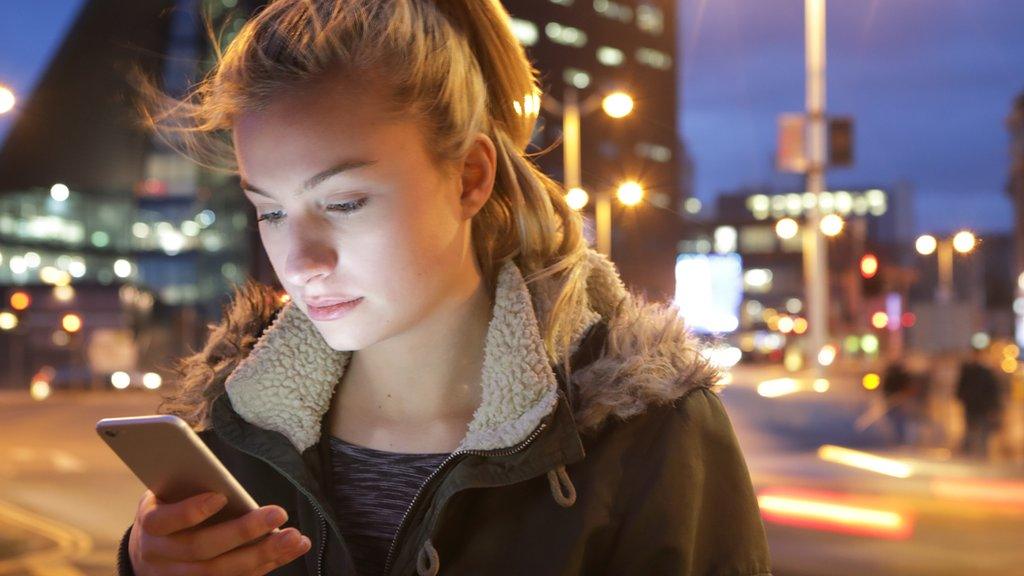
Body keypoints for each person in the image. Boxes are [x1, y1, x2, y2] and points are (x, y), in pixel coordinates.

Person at [119, 1, 772, 575]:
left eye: (344, 202)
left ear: (469, 178)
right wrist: (146, 564)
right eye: (270, 210)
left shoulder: (644, 435)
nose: (301, 260)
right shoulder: (231, 428)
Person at [955, 347, 1003, 458]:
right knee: (970, 428)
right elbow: (961, 386)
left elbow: (992, 390)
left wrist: (994, 406)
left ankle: (981, 453)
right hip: (971, 405)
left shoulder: (985, 372)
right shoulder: (968, 370)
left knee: (981, 430)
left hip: (982, 406)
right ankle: (968, 453)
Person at [881, 359, 916, 445]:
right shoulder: (892, 374)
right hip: (892, 399)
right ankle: (896, 438)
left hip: (899, 399)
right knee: (894, 419)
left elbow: (908, 386)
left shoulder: (901, 374)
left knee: (899, 420)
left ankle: (899, 439)